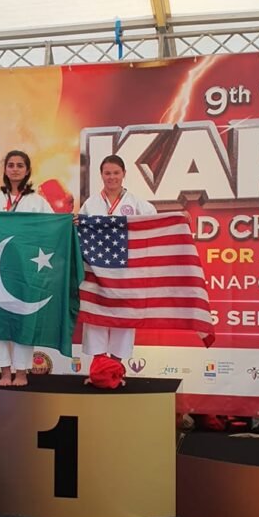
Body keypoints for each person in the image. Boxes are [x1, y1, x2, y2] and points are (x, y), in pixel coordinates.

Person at [0, 150, 53, 387]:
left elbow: (52, 227)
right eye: (11, 165)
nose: (15, 169)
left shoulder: (37, 201)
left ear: (27, 170)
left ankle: (21, 372)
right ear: (5, 169)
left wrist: (67, 223)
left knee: (24, 321)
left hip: (26, 271)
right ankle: (4, 372)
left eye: (20, 165)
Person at [79, 154, 156, 365]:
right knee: (96, 317)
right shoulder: (91, 203)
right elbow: (79, 231)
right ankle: (98, 370)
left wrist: (178, 217)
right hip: (96, 270)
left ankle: (115, 370)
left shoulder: (137, 203)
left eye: (116, 173)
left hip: (125, 272)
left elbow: (155, 221)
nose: (111, 177)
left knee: (123, 317)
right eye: (107, 173)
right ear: (101, 175)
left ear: (124, 174)